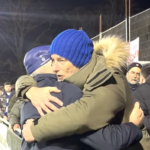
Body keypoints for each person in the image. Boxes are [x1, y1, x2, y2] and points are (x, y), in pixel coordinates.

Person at [16, 30, 144, 149]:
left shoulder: (109, 76)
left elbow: (84, 115)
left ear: (78, 60)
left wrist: (35, 130)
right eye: (52, 60)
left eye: (61, 60)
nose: (54, 67)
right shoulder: (73, 77)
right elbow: (36, 77)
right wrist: (29, 90)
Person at [133, 64, 150, 149]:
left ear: (142, 77)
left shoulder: (139, 92)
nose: (135, 76)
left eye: (137, 74)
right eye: (132, 72)